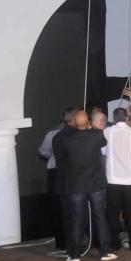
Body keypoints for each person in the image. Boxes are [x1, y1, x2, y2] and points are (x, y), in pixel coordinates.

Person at [63, 110, 116, 261]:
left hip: (77, 186)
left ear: (74, 123)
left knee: (77, 219)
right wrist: (91, 126)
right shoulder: (97, 135)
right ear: (88, 123)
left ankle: (74, 255)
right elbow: (103, 141)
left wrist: (84, 126)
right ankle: (105, 252)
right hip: (96, 184)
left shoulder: (67, 140)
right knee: (100, 217)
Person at [103, 107, 131, 252]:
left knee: (113, 216)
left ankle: (113, 244)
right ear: (127, 117)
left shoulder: (107, 132)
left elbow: (102, 150)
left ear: (114, 118)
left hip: (113, 181)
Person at [39, 108, 74, 250]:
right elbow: (43, 151)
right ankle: (65, 241)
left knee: (60, 208)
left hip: (56, 171)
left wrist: (51, 156)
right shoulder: (56, 134)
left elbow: (42, 151)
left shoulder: (52, 133)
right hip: (61, 172)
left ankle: (64, 242)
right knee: (63, 208)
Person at [47, 107, 78, 251]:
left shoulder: (56, 137)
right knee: (77, 216)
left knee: (66, 216)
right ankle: (75, 245)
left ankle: (68, 245)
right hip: (75, 182)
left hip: (62, 182)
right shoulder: (76, 136)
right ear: (74, 118)